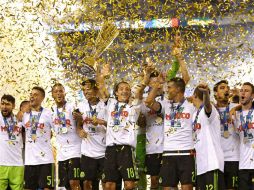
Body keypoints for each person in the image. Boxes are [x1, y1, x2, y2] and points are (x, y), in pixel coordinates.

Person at [145, 49, 194, 190]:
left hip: (186, 153)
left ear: (178, 90)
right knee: (167, 188)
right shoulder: (165, 105)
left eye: (170, 88)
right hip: (168, 153)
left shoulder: (191, 106)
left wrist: (180, 58)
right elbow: (148, 102)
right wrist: (156, 85)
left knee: (187, 188)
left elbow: (186, 79)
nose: (167, 90)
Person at [96, 63, 145, 190]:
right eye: (121, 88)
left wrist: (147, 75)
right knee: (109, 185)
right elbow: (101, 87)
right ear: (116, 92)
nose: (125, 90)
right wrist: (102, 75)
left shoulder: (134, 107)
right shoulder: (111, 103)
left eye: (127, 89)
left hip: (126, 150)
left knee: (129, 185)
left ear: (130, 93)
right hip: (111, 149)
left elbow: (140, 91)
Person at [75, 79, 107, 190]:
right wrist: (79, 130)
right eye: (83, 90)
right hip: (87, 152)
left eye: (88, 89)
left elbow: (113, 125)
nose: (85, 92)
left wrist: (101, 122)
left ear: (96, 89)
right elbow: (78, 125)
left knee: (106, 184)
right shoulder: (81, 106)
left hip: (104, 151)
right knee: (87, 183)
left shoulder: (106, 105)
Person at [192, 83, 225, 190]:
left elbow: (207, 106)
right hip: (201, 166)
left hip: (212, 164)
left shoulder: (211, 110)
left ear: (194, 95)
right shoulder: (195, 114)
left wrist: (206, 93)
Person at [22, 86, 55, 190]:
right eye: (31, 94)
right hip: (29, 161)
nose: (32, 97)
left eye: (35, 95)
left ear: (42, 98)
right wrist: (22, 110)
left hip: (46, 161)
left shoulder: (48, 113)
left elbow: (56, 131)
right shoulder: (24, 115)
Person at [51, 83, 82, 190]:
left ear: (65, 93)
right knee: (64, 186)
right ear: (52, 95)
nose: (59, 93)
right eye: (56, 91)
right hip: (61, 153)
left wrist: (79, 124)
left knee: (75, 183)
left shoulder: (72, 106)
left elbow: (80, 119)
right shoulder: (51, 111)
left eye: (61, 91)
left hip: (75, 151)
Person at [213, 80, 239, 190]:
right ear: (215, 93)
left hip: (234, 158)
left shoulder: (237, 107)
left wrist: (239, 95)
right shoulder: (211, 109)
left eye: (227, 88)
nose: (226, 89)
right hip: (216, 159)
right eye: (222, 88)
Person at [233, 82, 254, 189]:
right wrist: (235, 108)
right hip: (243, 166)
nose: (243, 93)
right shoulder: (235, 116)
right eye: (241, 90)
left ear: (253, 95)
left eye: (247, 91)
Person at [0, 95, 24, 190]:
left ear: (13, 106)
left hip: (17, 164)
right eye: (2, 104)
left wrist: (22, 111)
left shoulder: (20, 119)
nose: (4, 107)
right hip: (1, 164)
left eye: (7, 104)